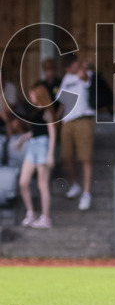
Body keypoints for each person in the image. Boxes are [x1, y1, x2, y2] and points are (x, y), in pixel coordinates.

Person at [55, 56, 95, 211]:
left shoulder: (85, 74)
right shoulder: (66, 78)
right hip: (67, 121)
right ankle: (76, 184)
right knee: (66, 156)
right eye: (73, 64)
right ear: (67, 68)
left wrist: (83, 67)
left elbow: (85, 77)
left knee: (85, 157)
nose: (76, 66)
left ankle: (86, 193)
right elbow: (63, 102)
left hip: (83, 119)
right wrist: (56, 120)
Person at [17, 81, 57, 229]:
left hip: (43, 146)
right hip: (33, 145)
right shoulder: (35, 111)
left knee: (42, 184)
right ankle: (30, 212)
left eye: (32, 95)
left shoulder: (47, 112)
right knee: (23, 182)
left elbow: (52, 132)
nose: (30, 97)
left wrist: (50, 154)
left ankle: (46, 217)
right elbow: (35, 131)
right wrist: (22, 138)